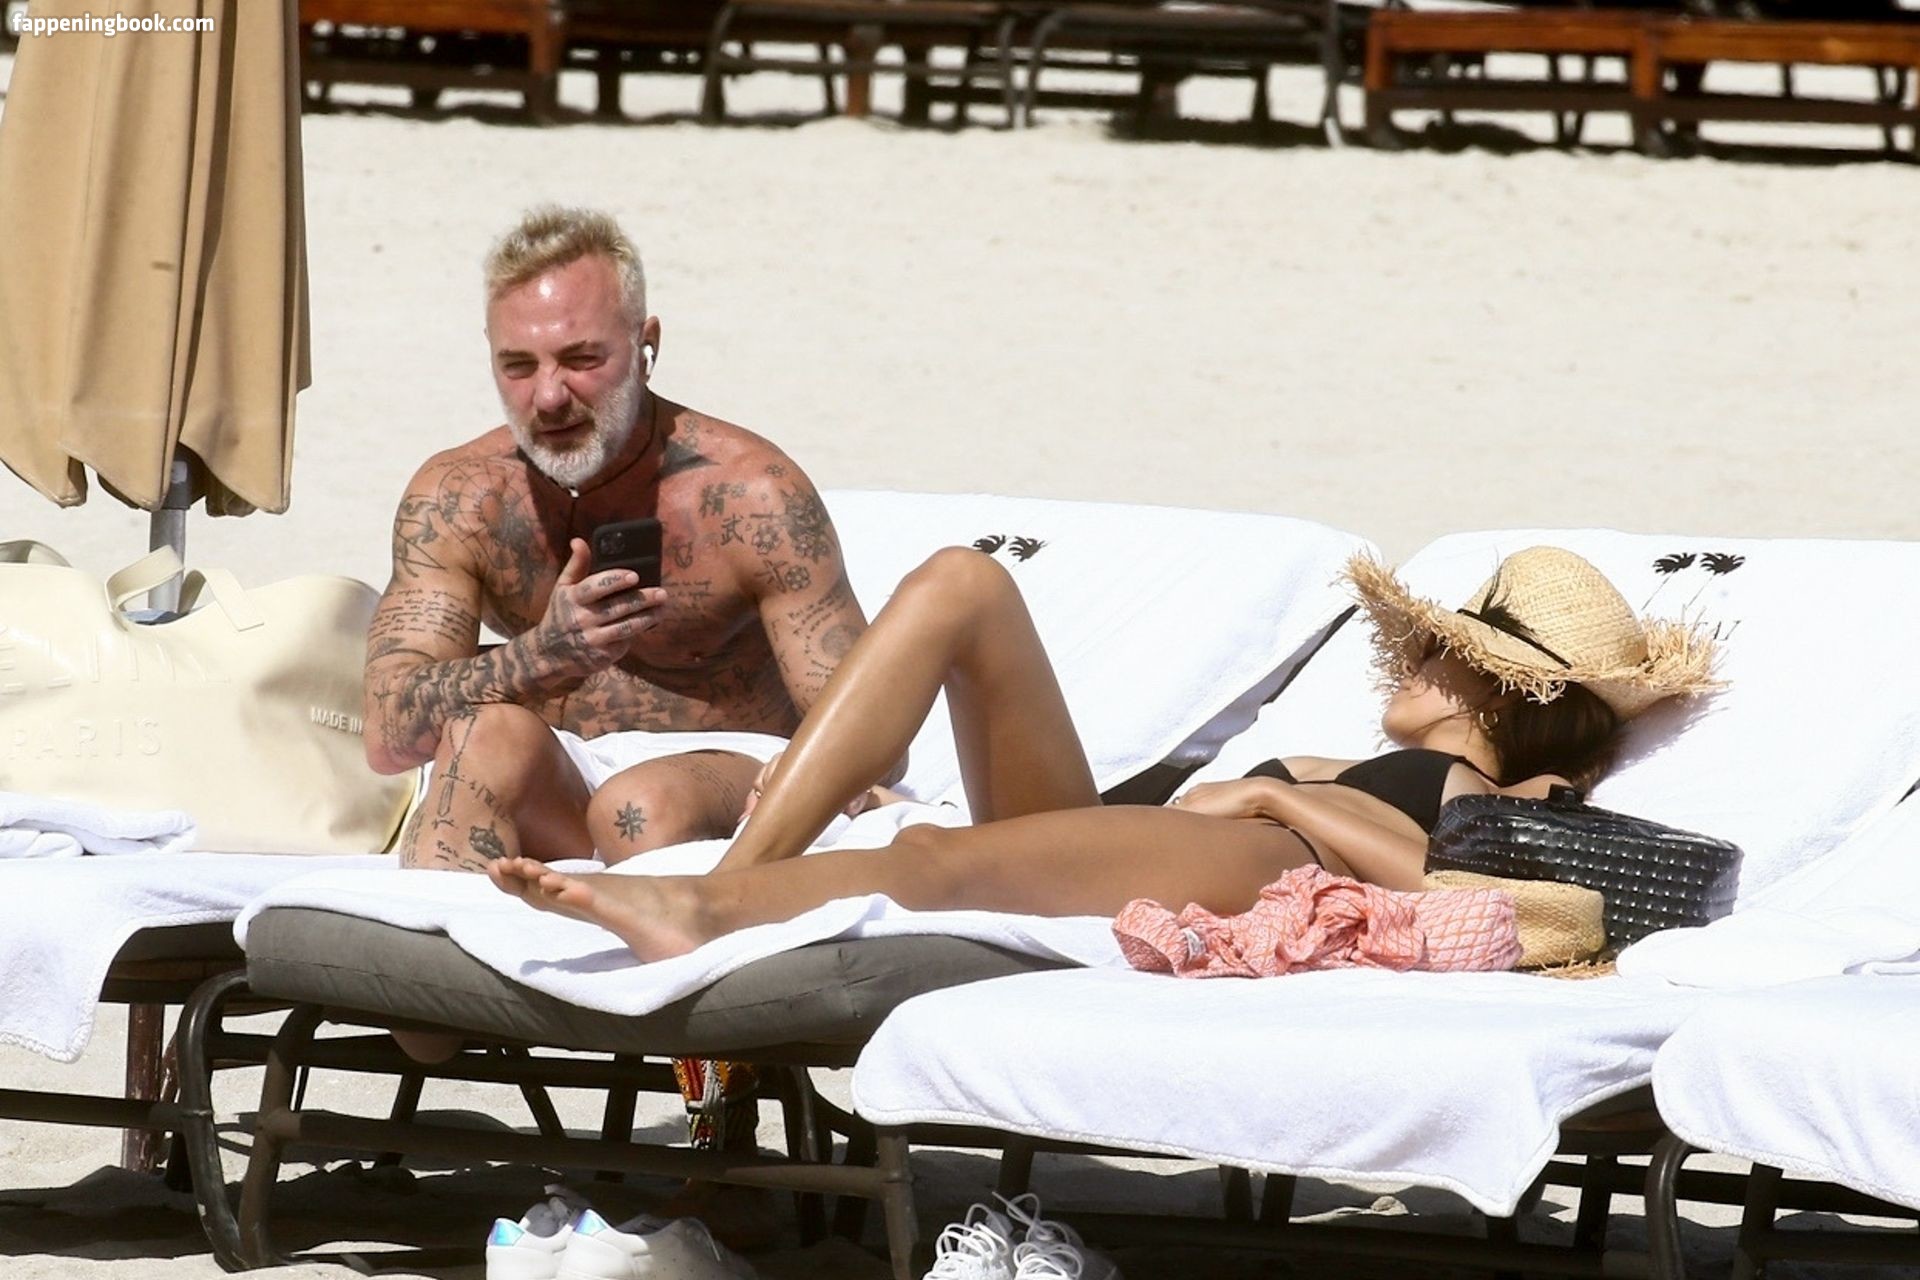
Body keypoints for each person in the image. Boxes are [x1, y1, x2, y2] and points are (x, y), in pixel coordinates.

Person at [487, 544, 1718, 961]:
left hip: (1257, 862)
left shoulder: (1508, 789)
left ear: (1503, 688)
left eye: (1443, 650)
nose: (1417, 660)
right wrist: (1264, 789)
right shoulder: (1375, 759)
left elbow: (1478, 900)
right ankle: (744, 873)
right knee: (962, 584)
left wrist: (1278, 803)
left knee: (938, 865)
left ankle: (706, 910)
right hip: (1160, 830)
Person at [363, 205, 879, 872]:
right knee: (476, 739)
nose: (549, 396)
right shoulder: (459, 498)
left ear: (645, 345)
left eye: (581, 359)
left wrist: (800, 778)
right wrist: (542, 655)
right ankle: (434, 934)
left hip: (729, 774)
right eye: (517, 366)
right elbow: (387, 735)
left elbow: (871, 729)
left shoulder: (752, 496)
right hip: (561, 780)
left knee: (637, 810)